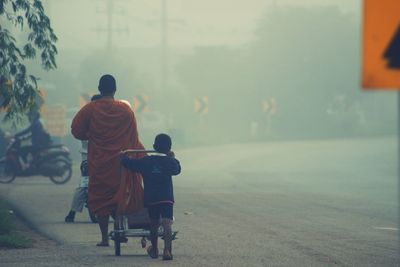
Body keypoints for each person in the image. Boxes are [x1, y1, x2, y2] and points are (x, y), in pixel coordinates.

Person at [71, 74, 145, 246]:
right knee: (120, 195)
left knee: (100, 199)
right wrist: (141, 157)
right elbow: (133, 137)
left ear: (99, 89)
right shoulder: (125, 110)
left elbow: (76, 130)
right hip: (121, 162)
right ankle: (120, 228)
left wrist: (90, 135)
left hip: (99, 162)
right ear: (115, 89)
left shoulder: (90, 109)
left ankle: (105, 238)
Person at [121, 133, 181, 260]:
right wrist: (173, 158)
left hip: (152, 198)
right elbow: (177, 170)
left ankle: (154, 249)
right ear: (169, 148)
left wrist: (123, 157)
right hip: (166, 197)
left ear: (154, 146)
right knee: (167, 223)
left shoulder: (145, 161)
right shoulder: (169, 162)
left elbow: (130, 164)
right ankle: (167, 250)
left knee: (154, 223)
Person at [65, 94, 102, 223]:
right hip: (90, 155)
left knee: (84, 183)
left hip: (94, 155)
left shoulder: (88, 116)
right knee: (84, 183)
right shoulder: (95, 118)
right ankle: (72, 211)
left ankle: (72, 213)